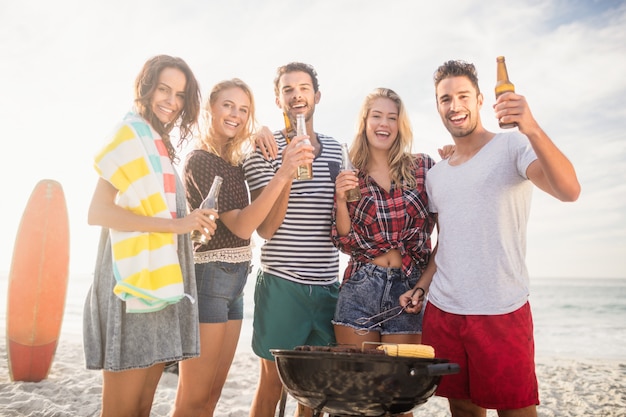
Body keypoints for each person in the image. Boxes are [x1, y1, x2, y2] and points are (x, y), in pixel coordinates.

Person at [400, 60, 580, 417]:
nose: (455, 106)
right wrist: (421, 286)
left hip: (501, 309)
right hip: (445, 310)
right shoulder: (437, 176)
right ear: (437, 106)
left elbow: (569, 190)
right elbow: (448, 241)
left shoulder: (513, 147)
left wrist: (531, 127)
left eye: (463, 96)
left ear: (480, 99)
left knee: (516, 412)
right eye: (445, 99)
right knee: (463, 411)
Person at [83, 55, 218, 417]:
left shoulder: (158, 145)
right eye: (163, 89)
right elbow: (98, 212)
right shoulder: (130, 135)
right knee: (123, 408)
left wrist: (189, 228)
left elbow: (157, 218)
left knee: (142, 407)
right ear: (146, 88)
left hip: (160, 284)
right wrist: (177, 225)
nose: (171, 102)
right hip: (132, 283)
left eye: (179, 94)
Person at [171, 78, 311, 417]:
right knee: (192, 399)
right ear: (211, 108)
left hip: (234, 283)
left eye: (244, 109)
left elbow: (247, 137)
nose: (235, 115)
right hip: (208, 280)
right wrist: (284, 173)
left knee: (210, 397)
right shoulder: (201, 160)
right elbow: (244, 226)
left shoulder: (231, 158)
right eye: (228, 106)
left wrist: (260, 128)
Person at [242, 62, 343, 416]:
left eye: (303, 88)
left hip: (329, 284)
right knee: (272, 384)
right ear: (278, 99)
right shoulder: (262, 152)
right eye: (288, 89)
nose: (296, 95)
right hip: (283, 283)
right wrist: (286, 167)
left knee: (314, 391)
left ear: (317, 96)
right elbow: (265, 229)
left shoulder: (336, 149)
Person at [331, 88, 436, 355]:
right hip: (361, 286)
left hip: (408, 287)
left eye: (392, 118)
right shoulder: (351, 173)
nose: (384, 124)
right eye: (376, 116)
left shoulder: (423, 167)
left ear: (400, 125)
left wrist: (422, 288)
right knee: (359, 385)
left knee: (398, 387)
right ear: (365, 123)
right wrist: (340, 200)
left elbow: (447, 233)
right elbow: (344, 241)